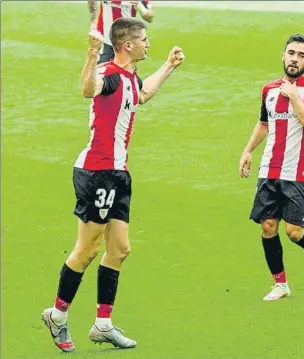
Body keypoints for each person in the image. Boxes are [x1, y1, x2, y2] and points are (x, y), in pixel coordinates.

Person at [41, 17, 184, 352]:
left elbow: (143, 94)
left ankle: (102, 324)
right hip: (97, 172)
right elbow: (88, 89)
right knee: (88, 249)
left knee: (119, 249)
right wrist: (91, 53)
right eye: (145, 39)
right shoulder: (107, 73)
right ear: (128, 44)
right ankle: (57, 316)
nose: (149, 43)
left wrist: (168, 66)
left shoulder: (129, 78)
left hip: (118, 173)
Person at [239, 33, 304, 301]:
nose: (295, 59)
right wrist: (247, 150)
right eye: (291, 53)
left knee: (294, 232)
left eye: (301, 55)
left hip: (298, 173)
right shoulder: (268, 89)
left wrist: (293, 97)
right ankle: (280, 284)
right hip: (269, 170)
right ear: (283, 55)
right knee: (267, 227)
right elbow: (264, 123)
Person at [88, 0, 153, 64]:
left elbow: (150, 18)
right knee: (99, 72)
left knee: (125, 73)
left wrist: (139, 6)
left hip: (126, 44)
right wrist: (93, 21)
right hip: (104, 41)